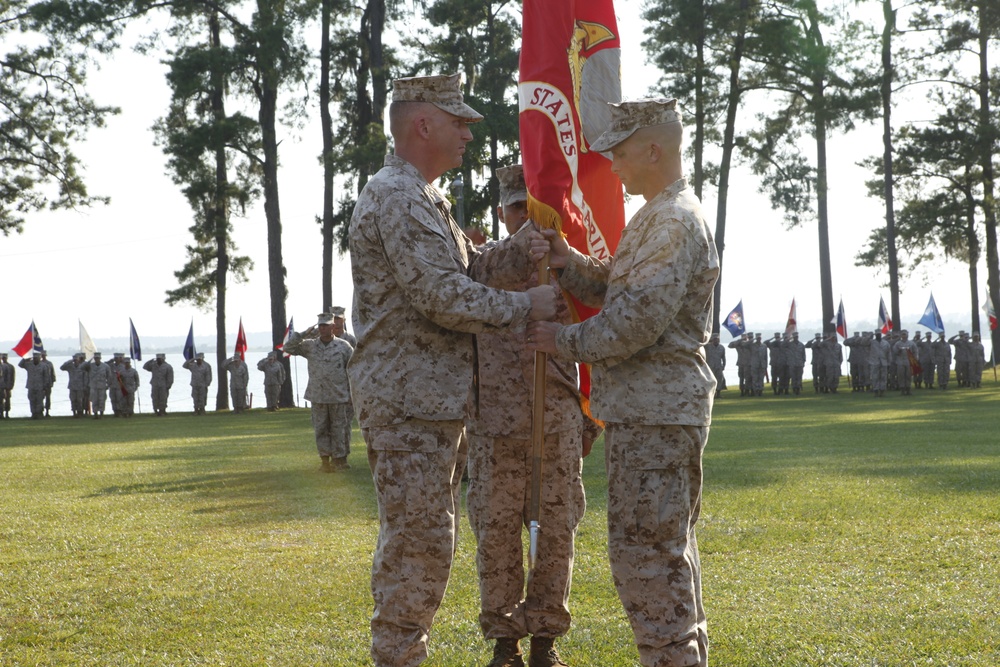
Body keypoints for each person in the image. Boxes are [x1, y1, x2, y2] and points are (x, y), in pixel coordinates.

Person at [348, 73, 558, 667]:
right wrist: (525, 306)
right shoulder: (397, 195)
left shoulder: (425, 196)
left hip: (429, 404)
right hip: (409, 402)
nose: (468, 132)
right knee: (417, 549)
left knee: (426, 544)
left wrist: (519, 250)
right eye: (457, 121)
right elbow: (441, 295)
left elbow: (466, 274)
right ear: (422, 124)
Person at [528, 97, 718, 667]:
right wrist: (571, 265)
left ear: (652, 149)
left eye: (620, 151)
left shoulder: (672, 221)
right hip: (650, 413)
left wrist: (559, 342)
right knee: (663, 556)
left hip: (656, 415)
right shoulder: (659, 214)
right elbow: (620, 289)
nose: (612, 164)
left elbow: (635, 322)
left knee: (648, 562)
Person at [464, 164, 597, 667]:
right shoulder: (485, 263)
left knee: (557, 524)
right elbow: (473, 277)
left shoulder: (566, 264)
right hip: (496, 420)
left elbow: (598, 318)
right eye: (519, 210)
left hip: (557, 416)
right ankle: (504, 640)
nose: (528, 220)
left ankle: (545, 637)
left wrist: (588, 416)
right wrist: (524, 246)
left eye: (536, 210)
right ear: (503, 212)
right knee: (496, 530)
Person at [285, 313, 355, 471]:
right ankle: (325, 460)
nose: (322, 328)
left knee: (339, 428)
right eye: (320, 326)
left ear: (333, 327)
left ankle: (340, 460)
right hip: (318, 395)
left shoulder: (343, 346)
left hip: (338, 395)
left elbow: (352, 369)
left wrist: (352, 393)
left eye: (325, 325)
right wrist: (302, 334)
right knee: (321, 428)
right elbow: (288, 348)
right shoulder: (309, 345)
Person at [18, 351, 51, 419]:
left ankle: (39, 413)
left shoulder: (44, 366)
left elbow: (46, 377)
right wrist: (25, 358)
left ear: (40, 358)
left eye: (37, 358)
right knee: (32, 400)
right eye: (34, 358)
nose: (35, 359)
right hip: (31, 386)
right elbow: (20, 365)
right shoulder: (29, 364)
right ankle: (33, 413)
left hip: (40, 387)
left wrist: (45, 387)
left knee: (39, 401)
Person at [82, 352, 115, 418]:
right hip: (93, 386)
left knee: (102, 400)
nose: (97, 359)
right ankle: (95, 413)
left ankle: (101, 413)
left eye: (98, 358)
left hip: (102, 386)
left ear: (100, 358)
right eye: (95, 358)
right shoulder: (90, 366)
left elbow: (109, 376)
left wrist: (108, 385)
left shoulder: (105, 366)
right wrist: (90, 360)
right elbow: (82, 367)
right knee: (94, 400)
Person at [60, 353, 89, 417]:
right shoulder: (70, 367)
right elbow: (62, 367)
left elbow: (85, 377)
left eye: (76, 359)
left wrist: (85, 386)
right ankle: (74, 413)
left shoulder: (82, 367)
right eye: (74, 359)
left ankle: (80, 413)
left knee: (79, 400)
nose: (75, 361)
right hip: (72, 386)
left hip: (80, 387)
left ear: (79, 360)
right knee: (73, 400)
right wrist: (70, 361)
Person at [705, 333, 726, 398]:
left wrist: (724, 365)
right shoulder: (707, 347)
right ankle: (711, 394)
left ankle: (718, 393)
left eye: (717, 339)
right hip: (710, 367)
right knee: (710, 380)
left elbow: (723, 357)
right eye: (714, 339)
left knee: (720, 379)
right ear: (712, 340)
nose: (716, 341)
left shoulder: (721, 347)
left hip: (718, 366)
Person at [39, 351, 56, 417]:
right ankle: (41, 411)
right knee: (40, 398)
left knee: (48, 398)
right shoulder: (39, 363)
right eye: (42, 355)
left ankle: (47, 411)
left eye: (44, 355)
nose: (43, 356)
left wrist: (52, 382)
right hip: (40, 383)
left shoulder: (49, 363)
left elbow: (52, 373)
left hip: (48, 383)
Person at [0, 352, 14, 418]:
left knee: (7, 400)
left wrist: (10, 386)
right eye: (2, 358)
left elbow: (11, 377)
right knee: (1, 400)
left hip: (7, 386)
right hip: (1, 386)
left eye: (4, 358)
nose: (3, 359)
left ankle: (7, 413)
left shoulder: (10, 366)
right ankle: (1, 413)